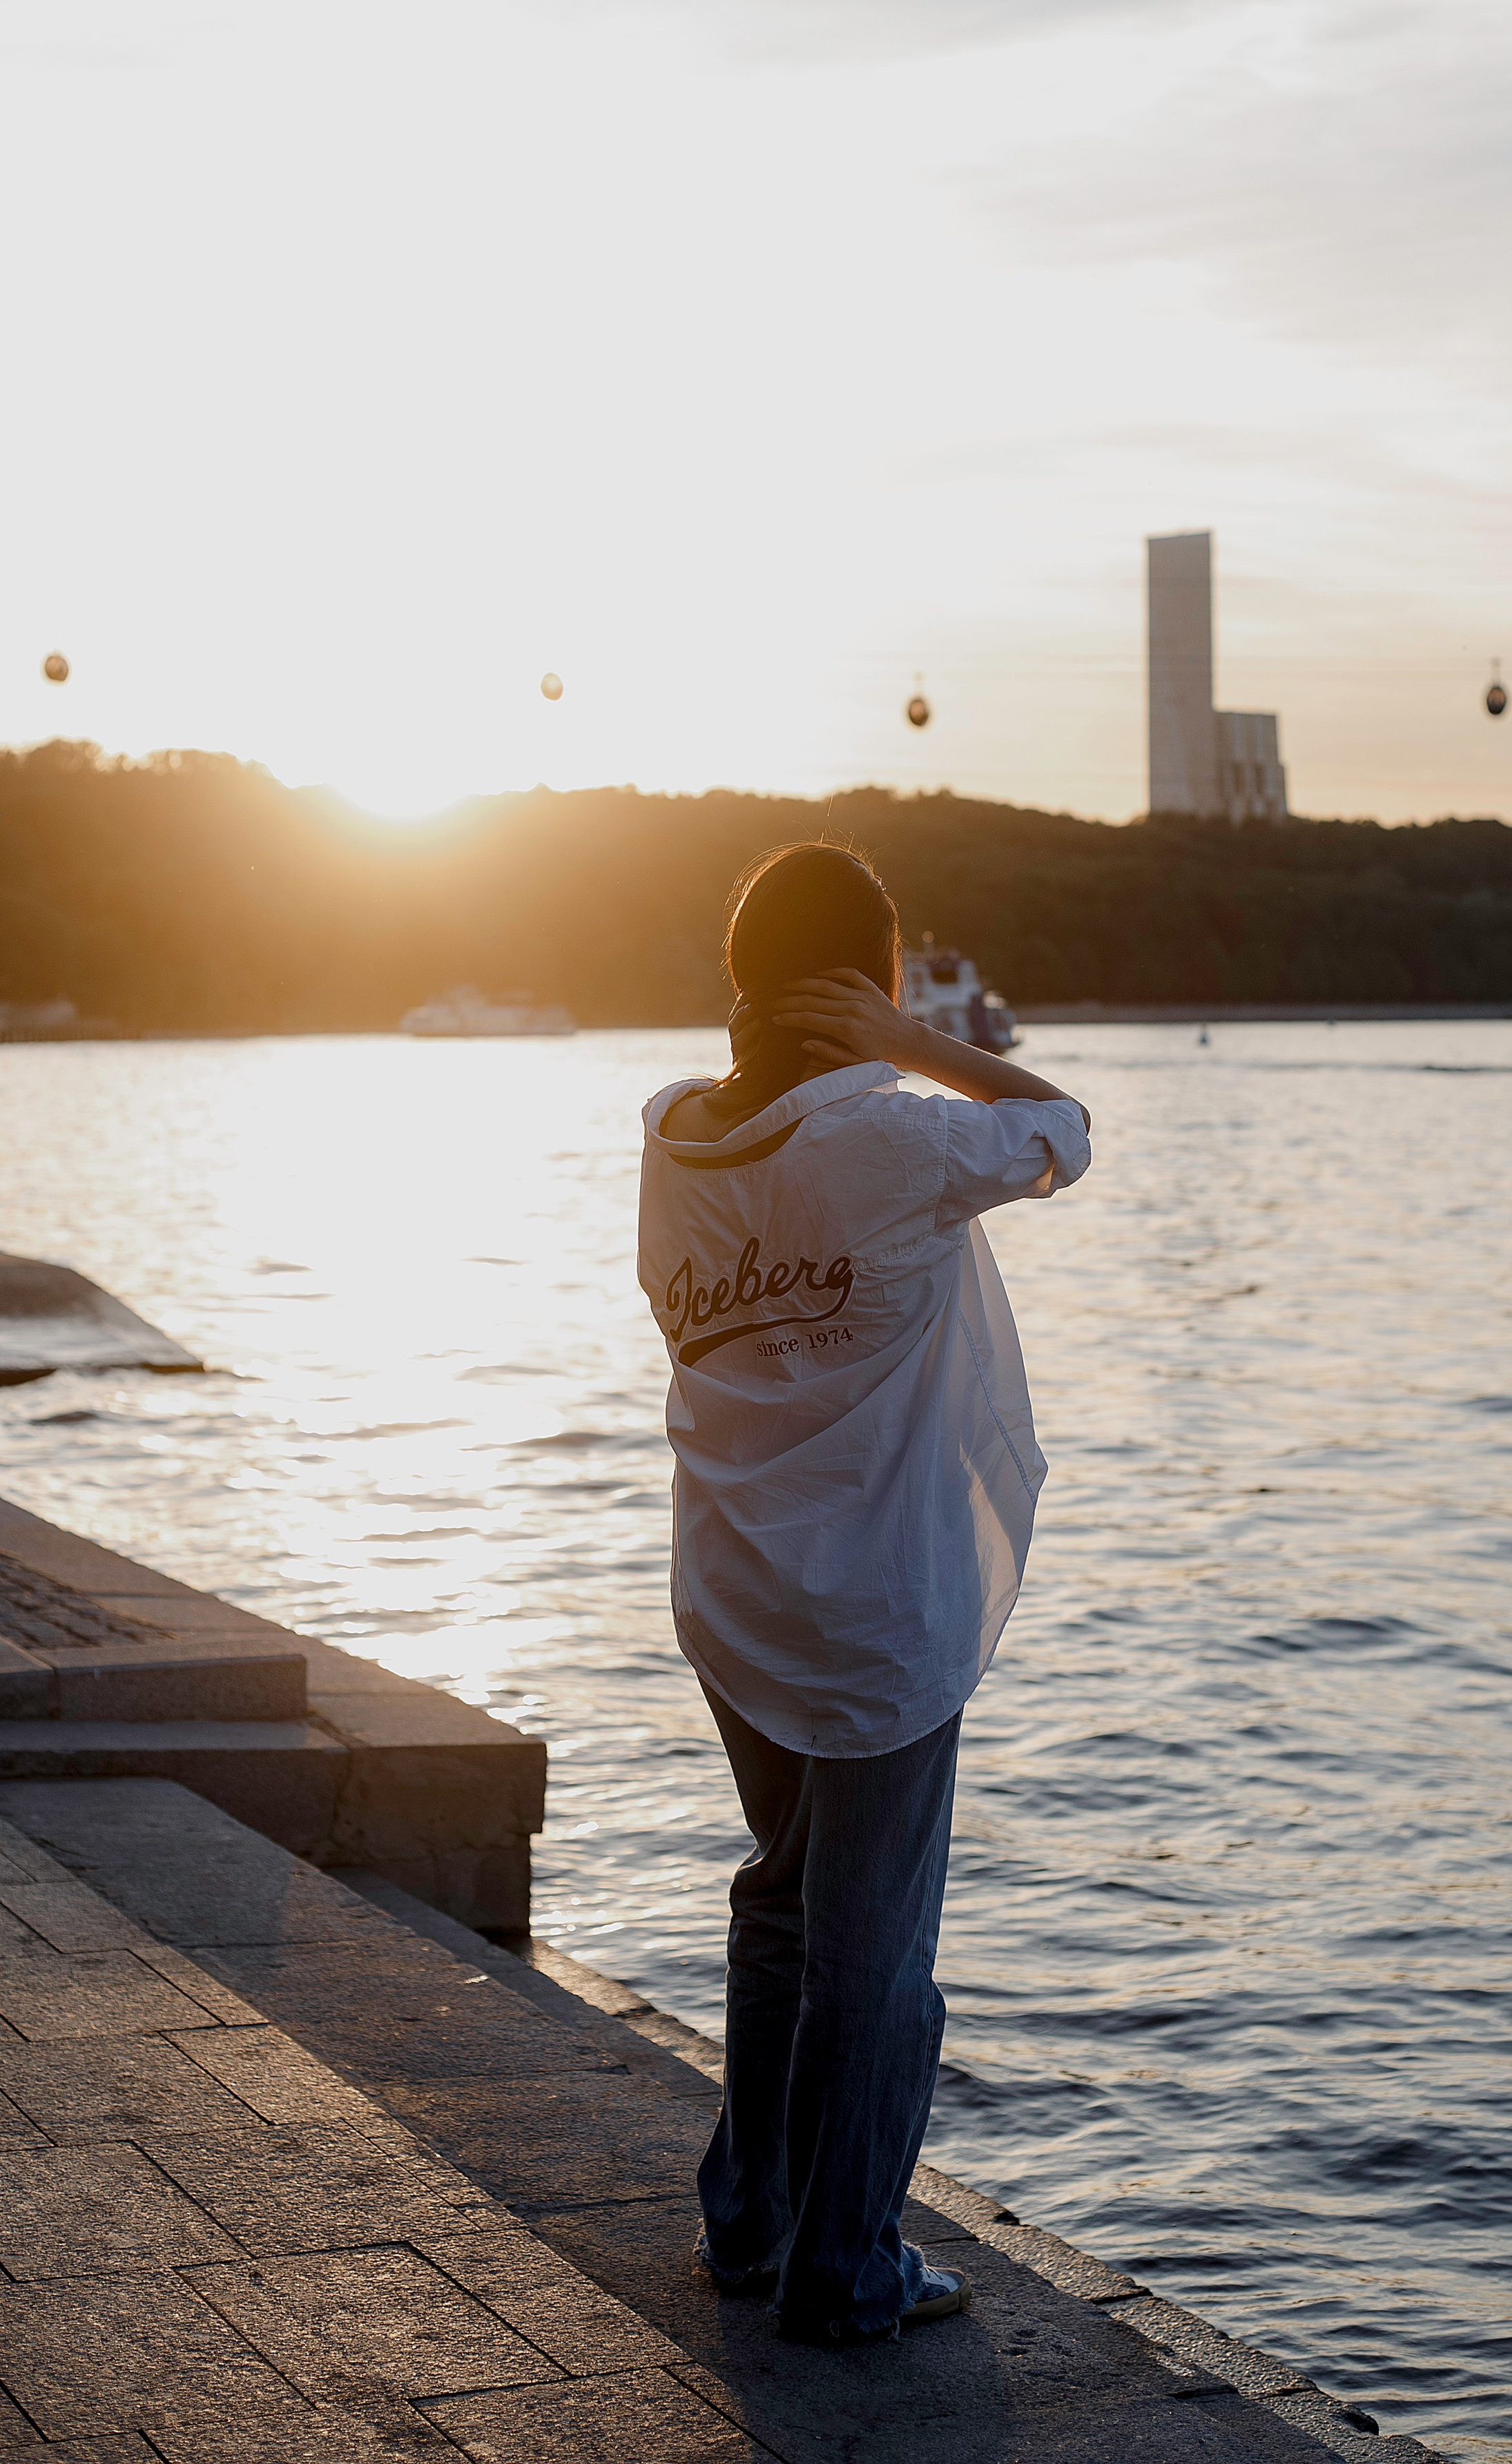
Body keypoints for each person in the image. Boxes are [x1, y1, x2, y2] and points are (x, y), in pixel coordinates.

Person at [636, 841, 1091, 2345]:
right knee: (871, 1957)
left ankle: (748, 2220)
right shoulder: (891, 1137)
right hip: (879, 1605)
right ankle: (846, 2264)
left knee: (778, 1904)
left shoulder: (672, 1136)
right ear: (867, 975)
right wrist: (904, 1044)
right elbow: (1059, 1128)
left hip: (738, 1584)